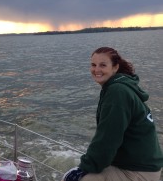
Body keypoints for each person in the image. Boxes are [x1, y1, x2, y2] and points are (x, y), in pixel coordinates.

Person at [62, 47, 163, 181]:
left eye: (103, 65)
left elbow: (107, 139)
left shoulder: (117, 92)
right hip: (140, 164)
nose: (96, 70)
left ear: (115, 68)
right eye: (93, 65)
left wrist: (83, 168)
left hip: (140, 171)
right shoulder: (119, 86)